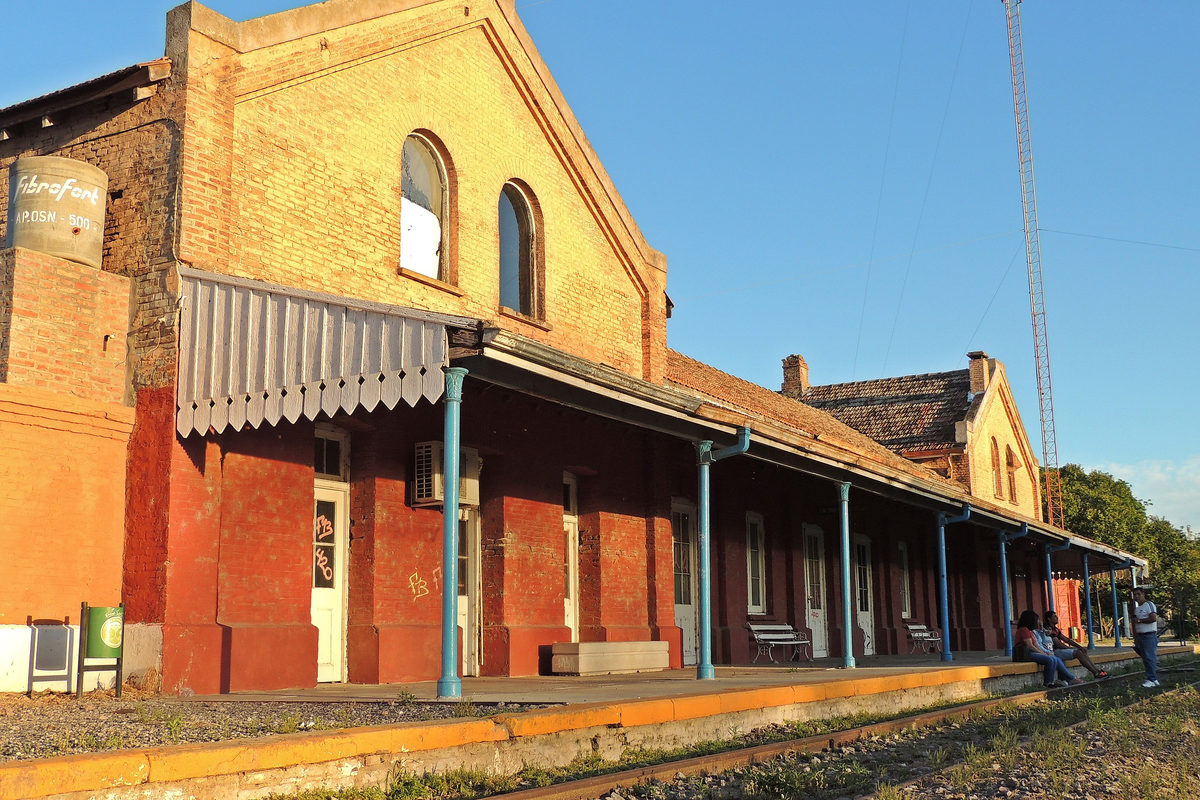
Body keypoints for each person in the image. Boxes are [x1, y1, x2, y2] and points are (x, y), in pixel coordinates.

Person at [1014, 609, 1083, 688]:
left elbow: (1036, 644)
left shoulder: (1030, 631)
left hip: (1031, 652)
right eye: (1036, 620)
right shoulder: (1024, 630)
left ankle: (1051, 682)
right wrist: (1043, 654)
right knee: (1050, 660)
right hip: (1025, 653)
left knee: (1053, 659)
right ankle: (1048, 683)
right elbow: (1029, 645)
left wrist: (1044, 653)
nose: (1038, 621)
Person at [1043, 611, 1109, 679]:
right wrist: (1070, 648)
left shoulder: (1055, 629)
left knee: (1082, 652)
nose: (1057, 618)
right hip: (1053, 651)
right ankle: (1095, 673)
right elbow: (1058, 644)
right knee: (1078, 653)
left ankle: (1098, 670)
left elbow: (1066, 639)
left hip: (1059, 650)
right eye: (1054, 616)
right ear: (1049, 619)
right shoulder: (1048, 629)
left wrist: (1079, 647)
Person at [1130, 587, 1159, 688]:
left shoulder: (1149, 605)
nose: (1136, 596)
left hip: (1149, 635)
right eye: (1135, 595)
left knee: (1149, 657)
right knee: (1146, 658)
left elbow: (1153, 618)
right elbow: (1134, 622)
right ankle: (1152, 678)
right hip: (1141, 636)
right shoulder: (1137, 609)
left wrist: (1140, 621)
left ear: (1143, 594)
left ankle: (1152, 679)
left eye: (1138, 594)